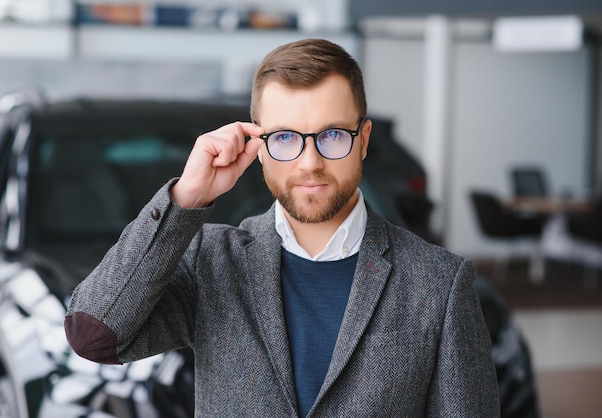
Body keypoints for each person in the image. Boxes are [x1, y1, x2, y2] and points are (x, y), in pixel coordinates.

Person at [65, 38, 500, 417]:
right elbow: (94, 335)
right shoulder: (211, 261)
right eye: (286, 137)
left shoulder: (439, 283)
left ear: (363, 140)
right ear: (260, 146)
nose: (310, 162)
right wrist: (186, 199)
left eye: (331, 135)